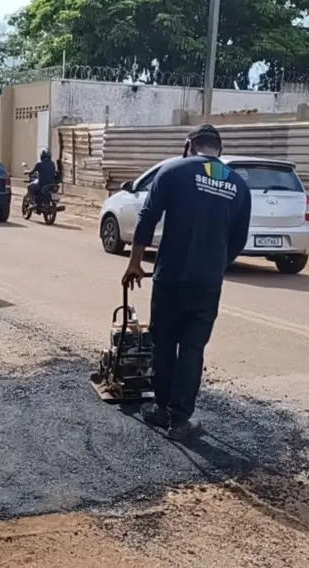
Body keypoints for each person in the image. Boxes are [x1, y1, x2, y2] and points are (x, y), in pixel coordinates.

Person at [122, 124, 251, 440]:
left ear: (188, 145)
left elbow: (147, 218)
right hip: (207, 283)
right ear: (219, 149)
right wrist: (215, 265)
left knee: (164, 343)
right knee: (192, 349)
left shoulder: (172, 171)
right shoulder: (238, 185)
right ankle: (180, 421)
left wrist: (135, 263)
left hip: (170, 278)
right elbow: (238, 241)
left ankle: (160, 408)